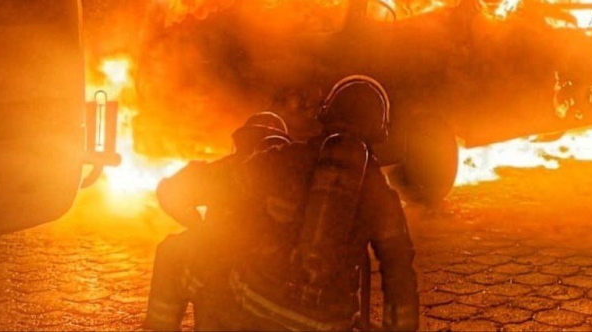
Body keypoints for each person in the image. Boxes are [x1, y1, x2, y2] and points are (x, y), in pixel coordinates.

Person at [227, 75, 419, 332]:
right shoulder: (380, 194)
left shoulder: (293, 156)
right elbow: (399, 271)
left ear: (327, 117)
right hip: (326, 320)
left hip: (260, 301)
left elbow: (232, 182)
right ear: (378, 130)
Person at [144, 112, 291, 331]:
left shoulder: (226, 171)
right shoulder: (301, 178)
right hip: (284, 295)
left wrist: (196, 226)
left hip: (222, 281)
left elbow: (170, 191)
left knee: (171, 251)